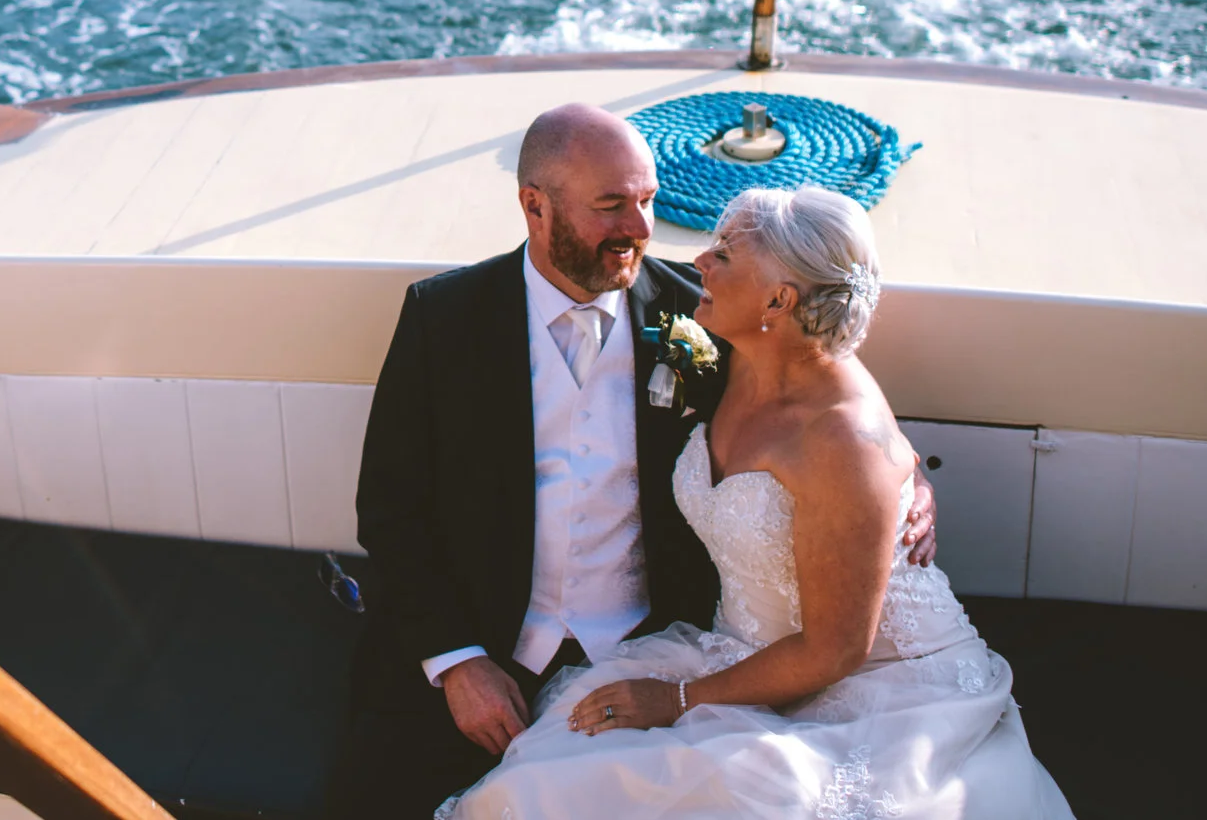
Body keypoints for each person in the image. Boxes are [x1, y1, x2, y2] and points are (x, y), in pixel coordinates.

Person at [324, 105, 936, 819]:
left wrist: (908, 470)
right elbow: (391, 508)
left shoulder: (697, 315)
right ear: (535, 205)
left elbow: (822, 377)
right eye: (611, 205)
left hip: (652, 646)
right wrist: (457, 661)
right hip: (488, 645)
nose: (642, 228)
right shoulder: (442, 317)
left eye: (646, 199)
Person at [437, 184, 1072, 820]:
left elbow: (837, 649)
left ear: (779, 298)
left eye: (723, 256)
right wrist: (912, 475)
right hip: (744, 651)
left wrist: (679, 700)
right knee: (552, 779)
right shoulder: (733, 349)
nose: (698, 265)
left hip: (880, 687)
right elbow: (890, 454)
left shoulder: (843, 436)